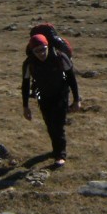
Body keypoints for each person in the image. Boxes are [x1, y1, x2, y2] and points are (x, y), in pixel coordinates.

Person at [22, 33, 80, 166]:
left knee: (58, 124)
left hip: (61, 94)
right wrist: (25, 106)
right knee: (49, 123)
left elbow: (71, 78)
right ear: (32, 51)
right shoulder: (29, 63)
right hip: (42, 95)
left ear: (48, 46)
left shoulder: (59, 57)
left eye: (43, 49)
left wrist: (77, 99)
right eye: (37, 51)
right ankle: (56, 150)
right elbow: (25, 84)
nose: (41, 53)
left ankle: (61, 154)